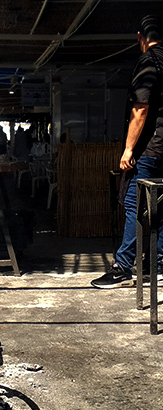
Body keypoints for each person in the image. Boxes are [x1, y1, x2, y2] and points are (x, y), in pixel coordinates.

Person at [92, 15, 163, 288]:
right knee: (161, 207)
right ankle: (158, 265)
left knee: (135, 206)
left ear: (140, 38)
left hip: (149, 150)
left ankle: (123, 266)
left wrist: (129, 148)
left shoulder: (148, 61)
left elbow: (140, 109)